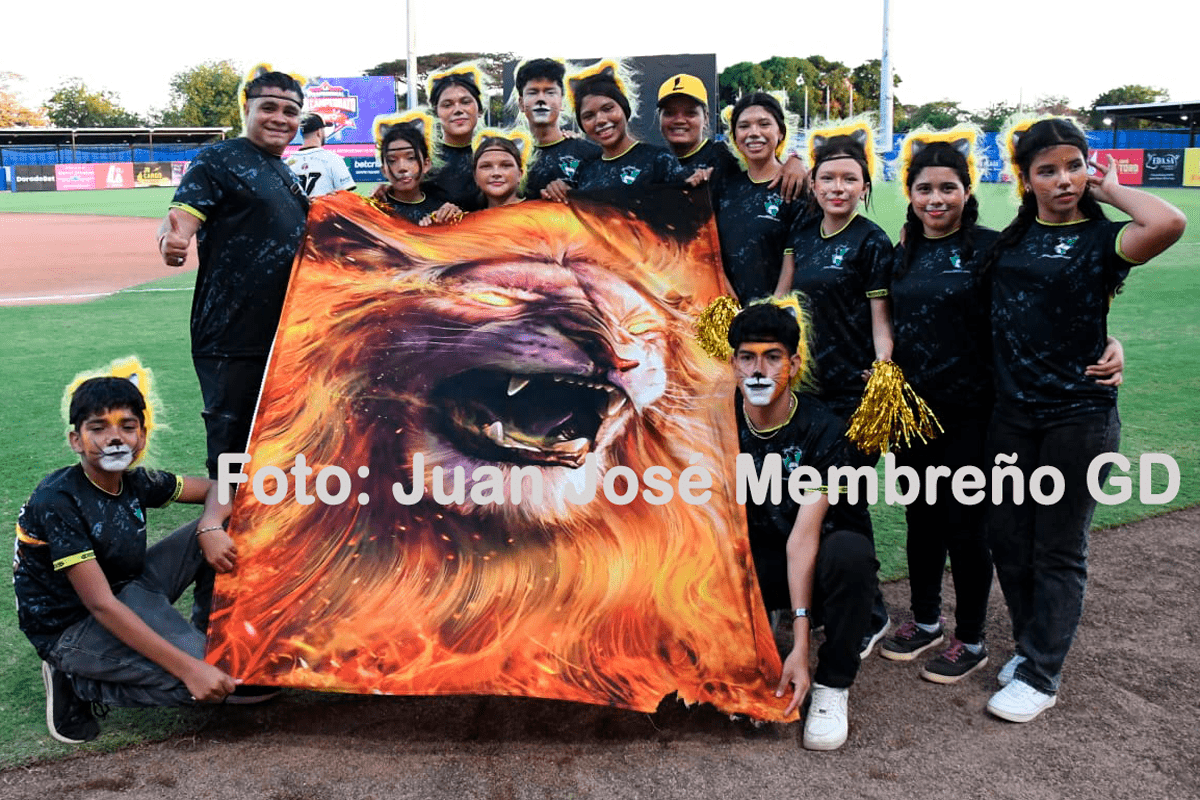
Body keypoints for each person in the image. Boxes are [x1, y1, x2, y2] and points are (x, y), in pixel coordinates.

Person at [882, 130, 1128, 682]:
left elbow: (1049, 306)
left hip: (978, 411)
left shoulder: (993, 249)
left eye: (948, 188)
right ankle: (925, 621)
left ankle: (970, 637)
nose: (936, 199)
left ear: (968, 192)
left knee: (967, 526)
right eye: (925, 189)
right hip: (912, 412)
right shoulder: (903, 252)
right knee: (922, 518)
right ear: (910, 194)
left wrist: (1109, 342)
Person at [979, 117, 1185, 722]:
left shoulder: (1103, 240)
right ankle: (1029, 647)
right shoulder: (1009, 242)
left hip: (1080, 416)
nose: (1063, 179)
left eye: (1074, 166)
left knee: (1059, 547)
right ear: (1025, 179)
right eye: (1047, 170)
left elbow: (1168, 223)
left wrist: (1110, 189)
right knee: (1009, 541)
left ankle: (1042, 675)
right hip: (1012, 415)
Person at [12, 376, 264, 745]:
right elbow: (100, 604)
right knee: (213, 682)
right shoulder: (59, 500)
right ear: (76, 440)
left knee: (231, 522)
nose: (115, 438)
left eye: (127, 427)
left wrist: (210, 525)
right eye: (98, 428)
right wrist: (189, 669)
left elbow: (218, 487)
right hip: (73, 625)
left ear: (141, 437)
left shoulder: (135, 481)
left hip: (128, 588)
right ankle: (76, 681)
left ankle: (226, 628)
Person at [730, 300, 878, 751]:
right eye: (747, 357)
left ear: (793, 365)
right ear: (733, 365)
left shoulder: (825, 430)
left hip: (818, 558)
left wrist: (800, 646)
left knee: (850, 555)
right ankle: (745, 653)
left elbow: (804, 539)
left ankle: (833, 683)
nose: (759, 371)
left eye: (772, 357)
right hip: (763, 555)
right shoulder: (719, 423)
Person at [157, 65, 309, 480]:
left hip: (280, 331)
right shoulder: (220, 159)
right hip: (231, 334)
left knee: (274, 435)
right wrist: (172, 241)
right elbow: (179, 218)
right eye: (269, 107)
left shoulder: (283, 170)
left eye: (290, 111)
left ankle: (260, 509)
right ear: (247, 109)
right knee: (231, 442)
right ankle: (222, 513)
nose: (280, 118)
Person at [784, 122, 894, 655]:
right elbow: (782, 302)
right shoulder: (802, 233)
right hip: (807, 395)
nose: (838, 187)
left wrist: (883, 374)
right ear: (814, 183)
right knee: (809, 501)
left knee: (846, 503)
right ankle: (837, 602)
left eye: (850, 179)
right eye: (828, 178)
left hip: (855, 397)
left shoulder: (872, 241)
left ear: (864, 186)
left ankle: (870, 614)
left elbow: (881, 322)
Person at [542, 63, 692, 199]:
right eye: (589, 116)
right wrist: (556, 191)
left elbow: (686, 211)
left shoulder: (659, 160)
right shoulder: (584, 171)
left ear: (624, 108)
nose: (600, 120)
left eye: (608, 109)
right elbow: (577, 214)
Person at [709, 92, 806, 303]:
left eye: (764, 124)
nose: (754, 133)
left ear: (780, 132)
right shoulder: (725, 188)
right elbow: (712, 253)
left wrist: (772, 308)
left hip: (780, 313)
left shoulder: (795, 186)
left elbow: (799, 258)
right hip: (731, 312)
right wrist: (731, 304)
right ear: (735, 136)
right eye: (744, 126)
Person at [656, 74, 806, 201]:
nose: (679, 120)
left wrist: (797, 160)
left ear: (706, 118)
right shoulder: (652, 164)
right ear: (659, 118)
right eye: (669, 113)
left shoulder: (723, 156)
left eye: (690, 113)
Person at [513, 58, 601, 200]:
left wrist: (575, 197)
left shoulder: (591, 155)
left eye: (550, 92)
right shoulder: (511, 157)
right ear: (521, 104)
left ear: (562, 102)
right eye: (533, 92)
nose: (541, 99)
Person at [371, 115, 459, 225]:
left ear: (426, 164)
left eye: (411, 158)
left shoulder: (442, 212)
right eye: (392, 160)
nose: (402, 167)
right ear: (384, 169)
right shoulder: (374, 210)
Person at [426, 65, 486, 210]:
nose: (458, 110)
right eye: (447, 105)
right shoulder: (425, 160)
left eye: (465, 102)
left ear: (479, 109)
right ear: (435, 113)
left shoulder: (497, 153)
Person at [286, 113, 357, 197]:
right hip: (324, 206)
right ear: (319, 132)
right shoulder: (333, 159)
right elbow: (347, 196)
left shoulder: (287, 163)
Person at [473, 132, 527, 208]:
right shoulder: (467, 215)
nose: (496, 173)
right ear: (475, 177)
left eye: (506, 165)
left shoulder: (541, 212)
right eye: (486, 166)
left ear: (520, 174)